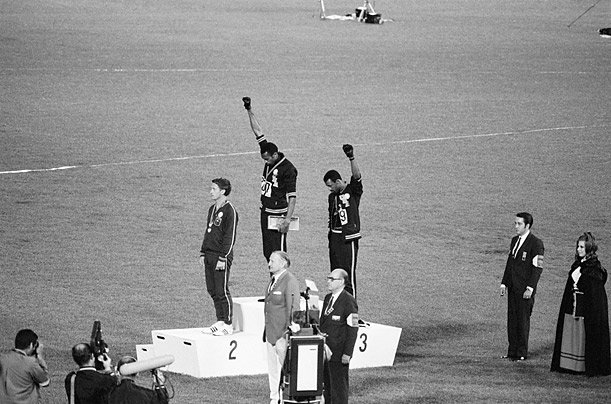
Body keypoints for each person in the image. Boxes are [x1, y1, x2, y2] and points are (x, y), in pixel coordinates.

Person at [242, 96, 298, 262]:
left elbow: (292, 197)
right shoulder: (268, 151)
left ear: (275, 155)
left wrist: (287, 219)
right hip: (265, 212)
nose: (265, 162)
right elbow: (258, 131)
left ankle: (283, 278)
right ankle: (273, 277)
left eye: (267, 159)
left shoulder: (288, 169)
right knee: (268, 252)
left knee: (278, 253)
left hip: (278, 214)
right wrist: (249, 109)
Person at [551, 232, 610, 376]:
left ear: (589, 248)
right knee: (572, 334)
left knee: (584, 335)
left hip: (586, 310)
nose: (578, 249)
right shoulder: (577, 265)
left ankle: (585, 366)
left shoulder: (594, 269)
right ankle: (569, 365)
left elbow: (595, 295)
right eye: (578, 246)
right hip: (572, 306)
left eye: (582, 247)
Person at [500, 212, 544, 361]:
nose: (516, 226)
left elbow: (537, 269)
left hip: (525, 290)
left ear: (527, 225)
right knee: (512, 320)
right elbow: (510, 264)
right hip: (513, 288)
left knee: (523, 321)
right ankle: (512, 351)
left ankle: (522, 353)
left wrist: (530, 288)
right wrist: (504, 283)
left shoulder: (536, 243)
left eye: (519, 224)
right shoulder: (514, 241)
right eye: (515, 223)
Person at [199, 177, 239, 336]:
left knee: (222, 290)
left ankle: (228, 324)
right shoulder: (212, 209)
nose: (210, 191)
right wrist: (203, 252)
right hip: (209, 254)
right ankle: (220, 320)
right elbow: (208, 231)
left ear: (223, 191)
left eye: (214, 189)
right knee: (212, 289)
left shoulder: (230, 211)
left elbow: (230, 236)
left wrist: (223, 258)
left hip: (221, 256)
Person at [323, 144, 363, 298]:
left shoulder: (352, 191)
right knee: (335, 274)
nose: (330, 189)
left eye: (331, 185)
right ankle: (338, 304)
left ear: (338, 181)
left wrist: (351, 157)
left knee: (348, 274)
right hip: (334, 239)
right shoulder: (331, 197)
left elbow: (357, 176)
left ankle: (352, 307)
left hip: (348, 238)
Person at [263, 251, 300, 404]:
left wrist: (288, 333)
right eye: (269, 261)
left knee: (287, 370)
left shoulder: (289, 280)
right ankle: (274, 397)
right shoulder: (273, 280)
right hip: (270, 333)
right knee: (272, 369)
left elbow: (294, 308)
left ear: (283, 263)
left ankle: (288, 397)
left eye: (272, 261)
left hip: (282, 335)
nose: (269, 264)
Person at [320, 269, 359, 404]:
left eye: (332, 279)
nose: (328, 281)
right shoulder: (327, 298)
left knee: (339, 388)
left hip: (339, 352)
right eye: (328, 278)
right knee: (327, 387)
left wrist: (347, 353)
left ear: (341, 282)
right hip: (326, 350)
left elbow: (353, 329)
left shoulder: (348, 301)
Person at [0, 329, 50, 404]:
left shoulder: (2, 358)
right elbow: (45, 382)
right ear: (31, 345)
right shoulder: (31, 363)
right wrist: (40, 357)